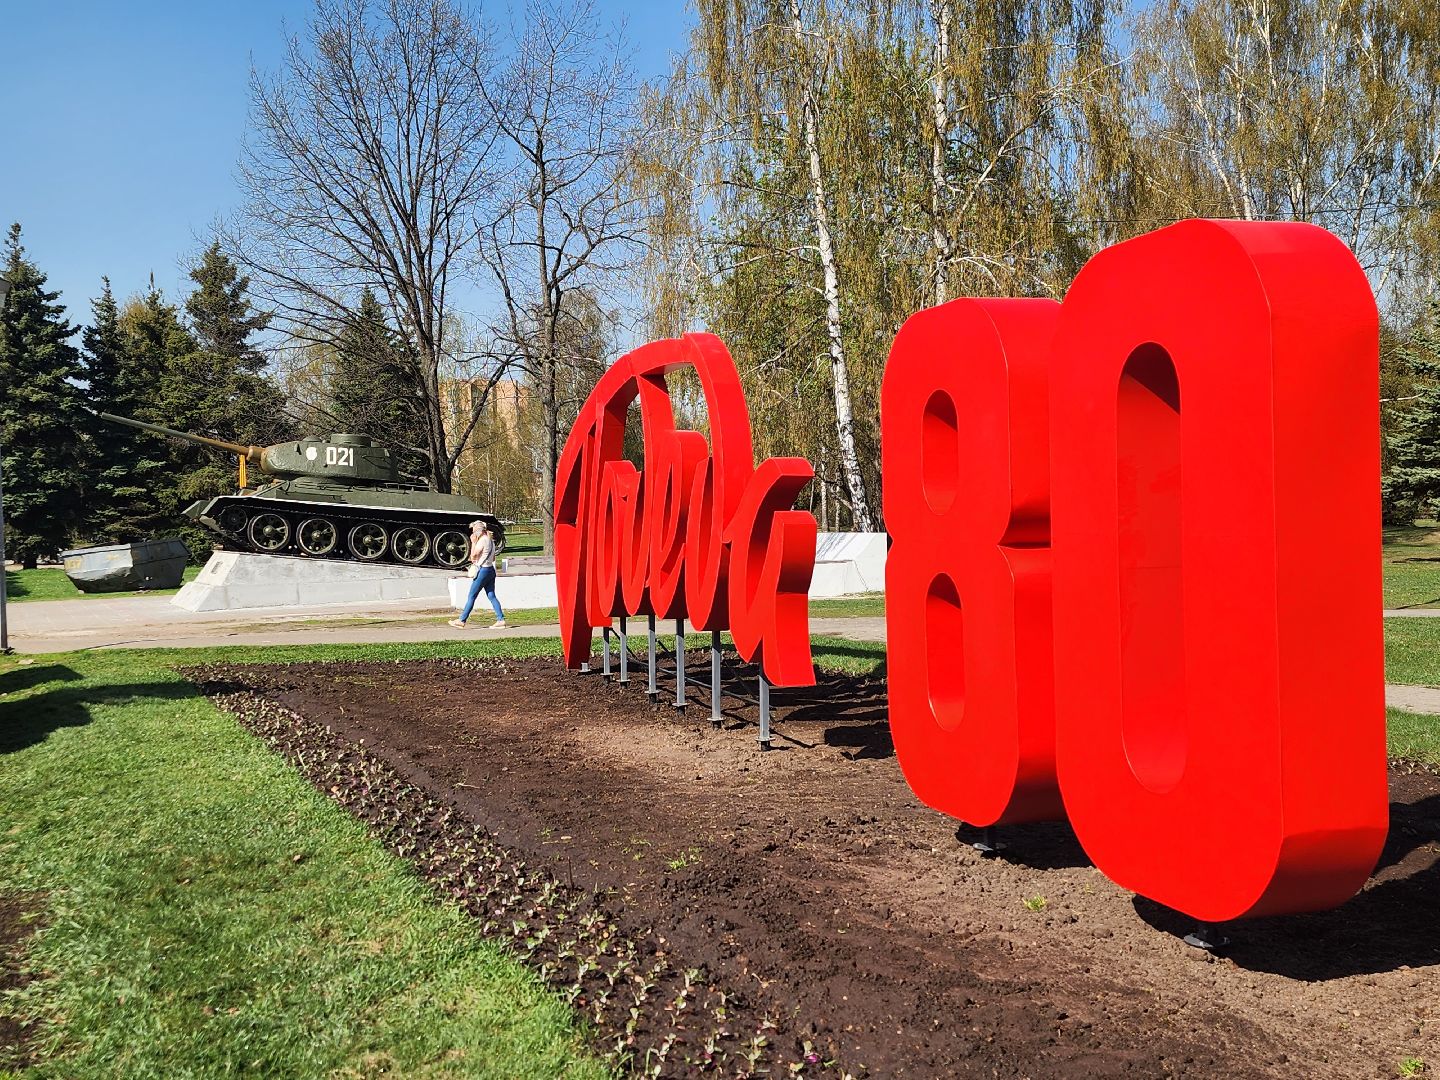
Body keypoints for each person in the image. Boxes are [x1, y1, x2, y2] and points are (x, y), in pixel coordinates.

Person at [448, 520, 507, 629]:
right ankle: (500, 619)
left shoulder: (482, 541)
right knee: (492, 595)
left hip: (482, 571)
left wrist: (473, 543)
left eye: (474, 531)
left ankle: (461, 620)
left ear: (478, 531)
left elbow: (473, 556)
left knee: (472, 596)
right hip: (490, 570)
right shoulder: (491, 541)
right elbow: (493, 558)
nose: (473, 534)